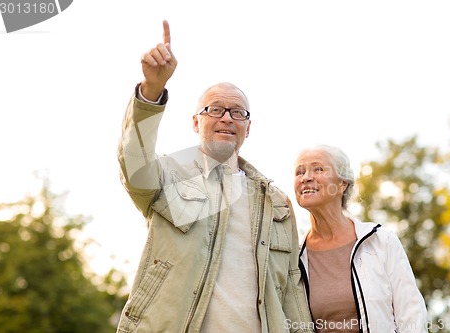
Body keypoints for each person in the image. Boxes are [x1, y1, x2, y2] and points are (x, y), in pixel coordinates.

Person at [115, 20, 313, 333]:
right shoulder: (169, 174)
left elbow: (291, 288)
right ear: (196, 122)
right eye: (215, 109)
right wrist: (151, 91)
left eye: (238, 113)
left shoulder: (277, 204)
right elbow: (134, 163)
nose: (227, 118)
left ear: (248, 127)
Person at [294, 144, 428, 333]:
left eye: (318, 169)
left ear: (342, 184)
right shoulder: (294, 257)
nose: (306, 177)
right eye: (299, 172)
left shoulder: (381, 241)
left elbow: (412, 316)